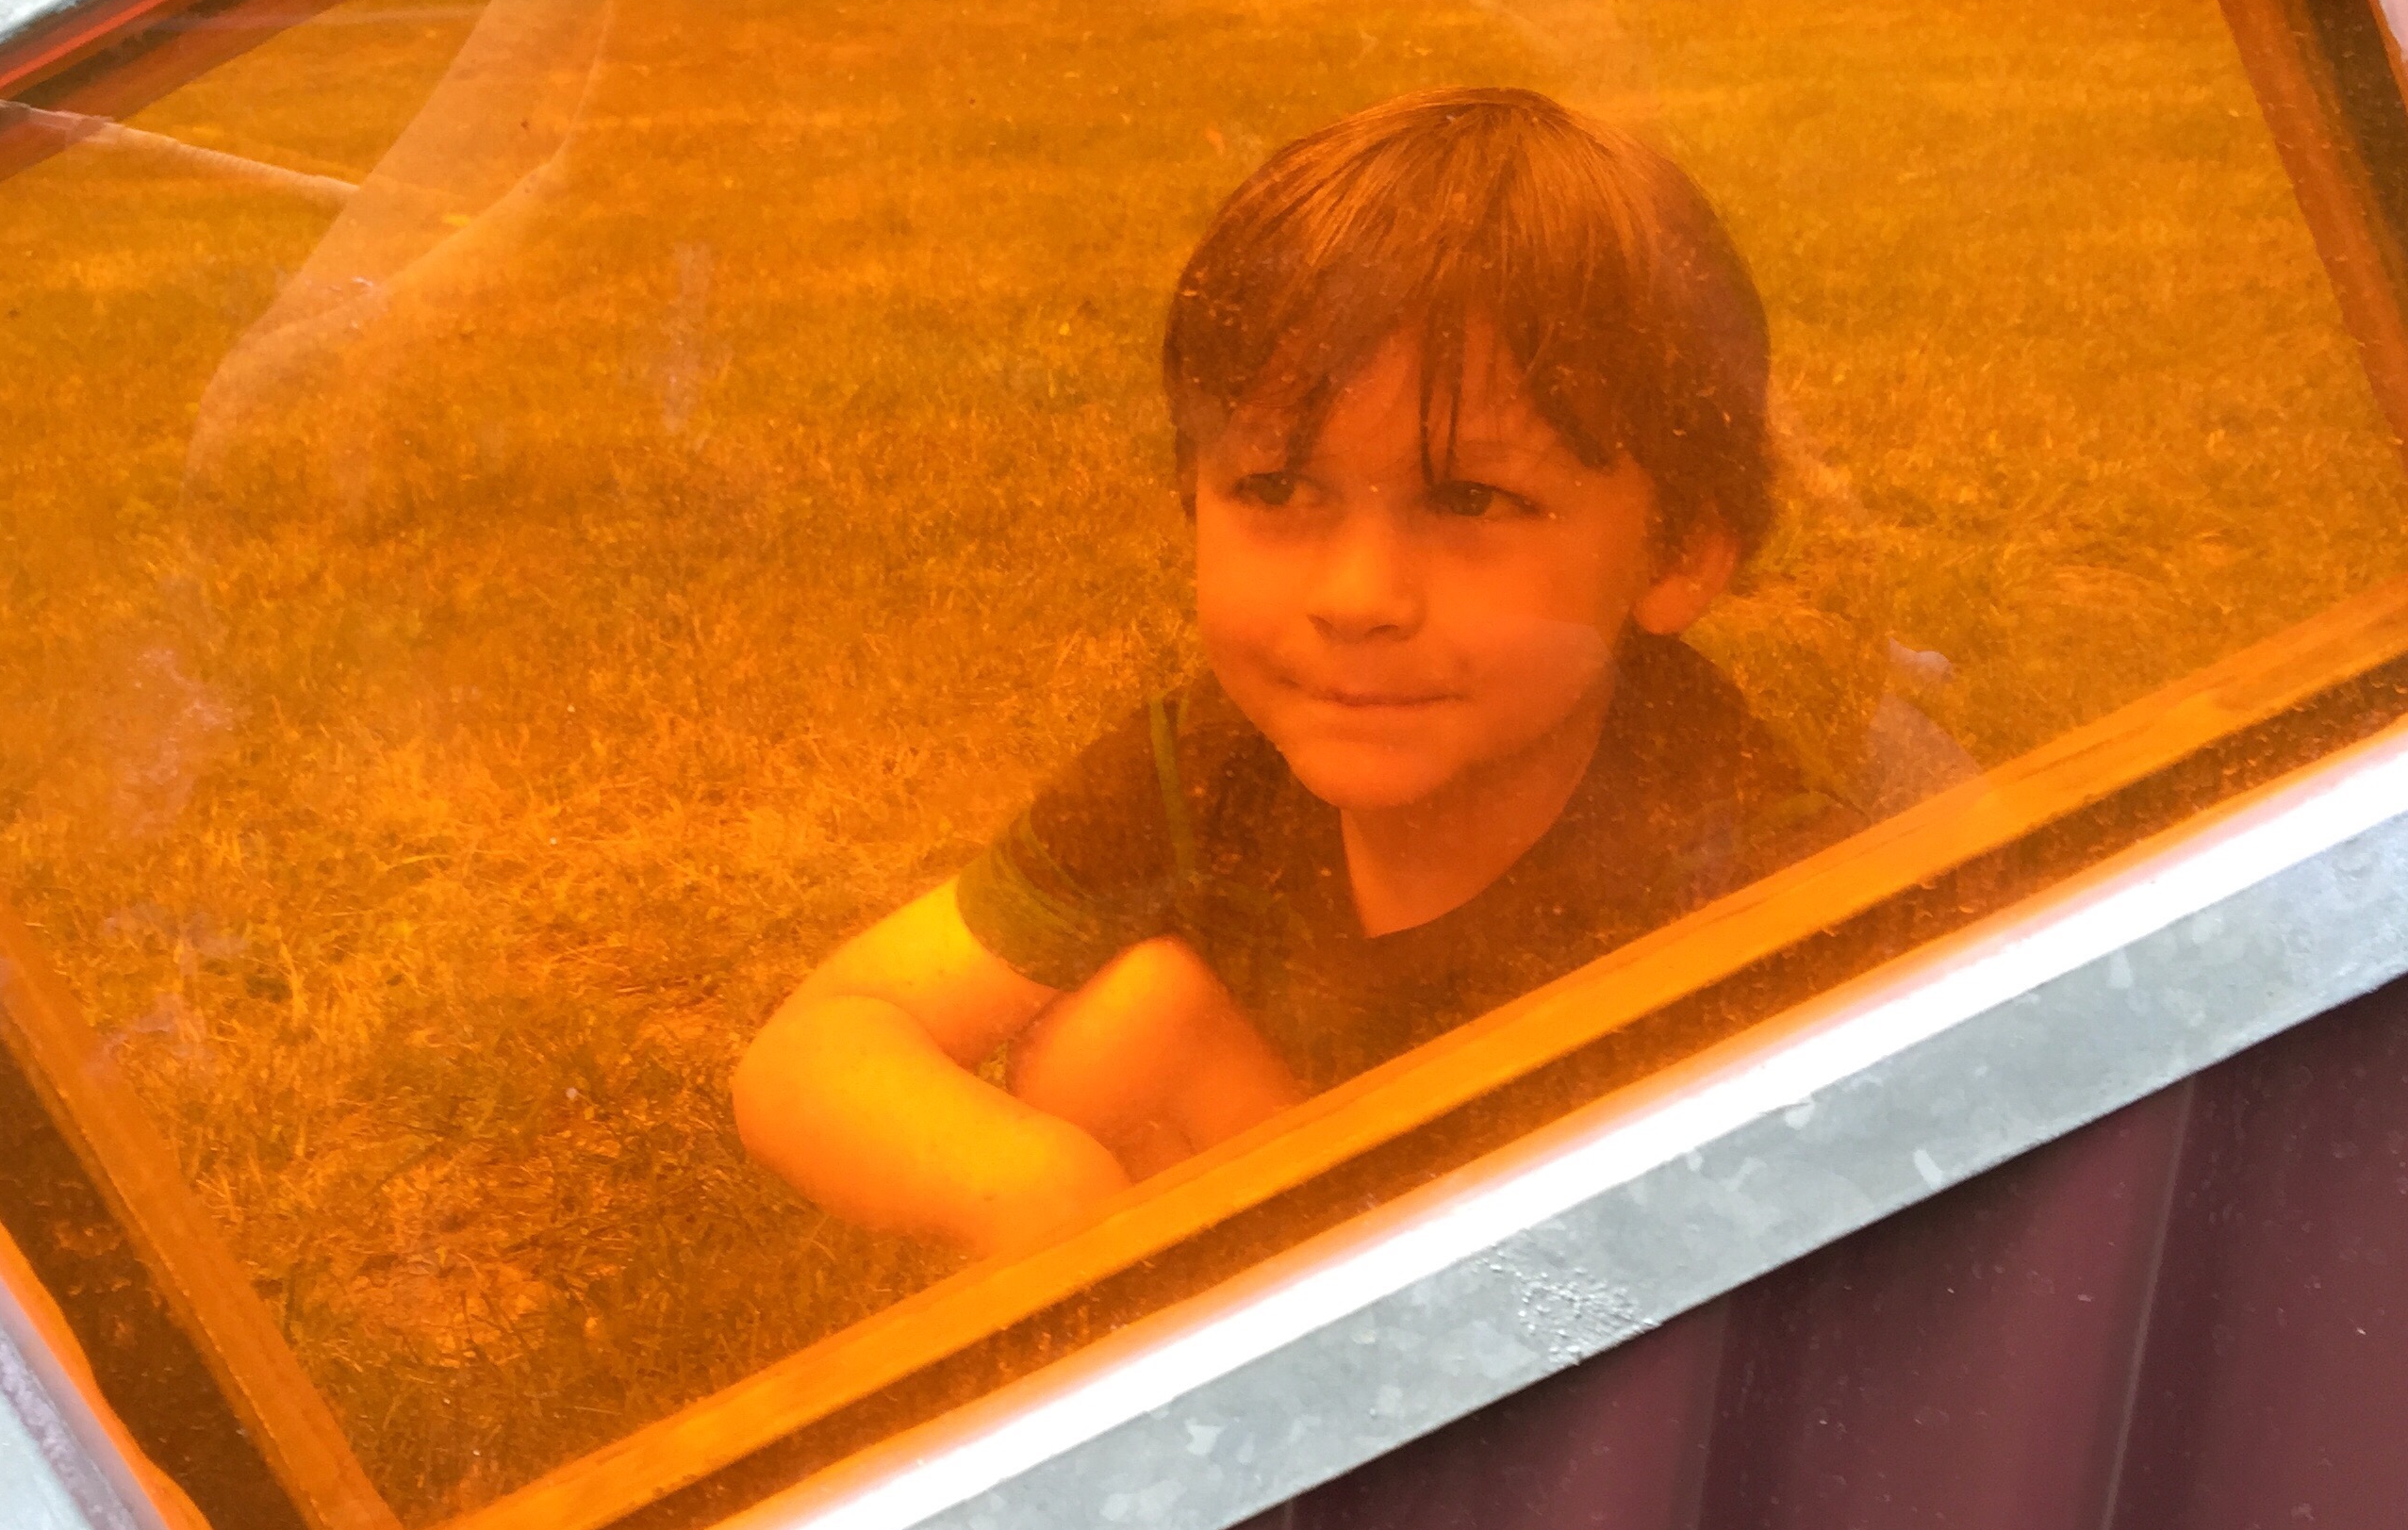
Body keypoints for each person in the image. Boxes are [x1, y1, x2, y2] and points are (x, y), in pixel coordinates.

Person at [732, 87, 1846, 1259]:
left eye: (1470, 499)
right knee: (1126, 1027)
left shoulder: (1743, 871)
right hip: (1351, 1235)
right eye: (1276, 488)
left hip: (1550, 1301)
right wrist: (1045, 1198)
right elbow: (822, 1045)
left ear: (1678, 554)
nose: (1356, 597)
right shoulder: (1208, 767)